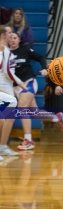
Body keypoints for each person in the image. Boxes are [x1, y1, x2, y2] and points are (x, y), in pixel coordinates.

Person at [6, 32, 63, 150]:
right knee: (36, 113)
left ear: (19, 40)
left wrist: (45, 69)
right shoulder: (6, 53)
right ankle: (57, 118)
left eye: (15, 38)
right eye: (11, 38)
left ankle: (28, 140)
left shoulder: (25, 50)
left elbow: (41, 58)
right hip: (15, 86)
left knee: (22, 109)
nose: (12, 40)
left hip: (28, 82)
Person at [0, 25, 27, 156]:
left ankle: (3, 146)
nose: (11, 34)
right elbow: (7, 72)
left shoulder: (6, 51)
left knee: (8, 118)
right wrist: (20, 82)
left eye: (12, 32)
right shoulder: (2, 51)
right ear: (3, 35)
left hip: (8, 86)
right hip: (2, 86)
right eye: (9, 32)